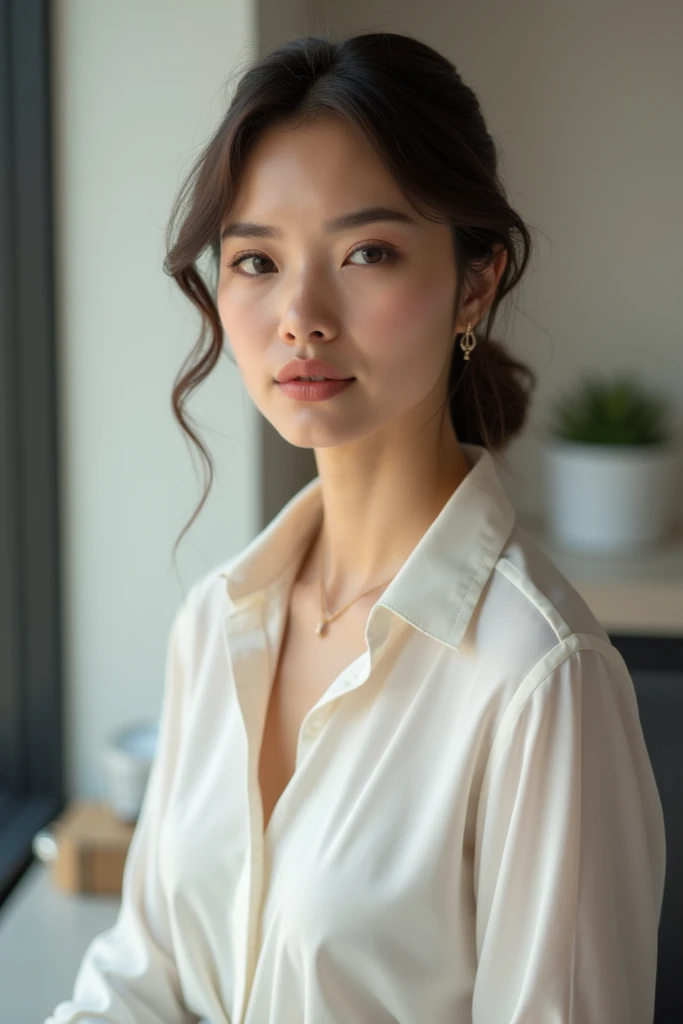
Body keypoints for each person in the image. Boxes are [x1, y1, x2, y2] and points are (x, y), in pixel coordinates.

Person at [46, 31, 666, 1024]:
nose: (299, 313)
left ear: (474, 283)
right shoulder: (218, 625)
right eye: (255, 259)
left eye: (366, 252)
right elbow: (140, 981)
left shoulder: (537, 679)